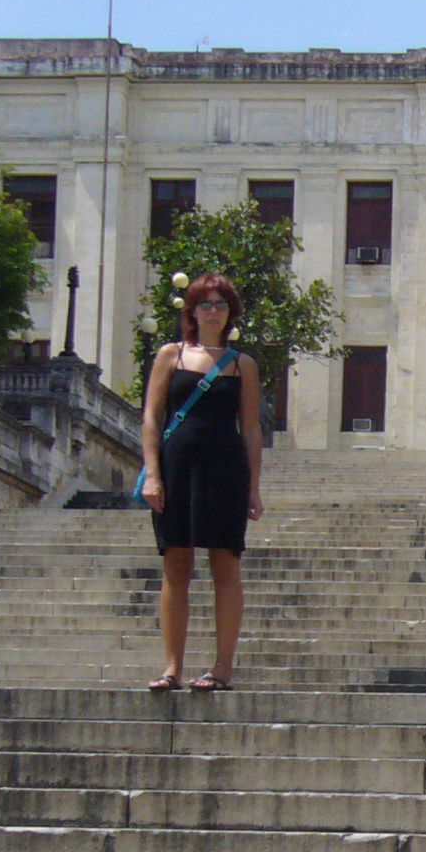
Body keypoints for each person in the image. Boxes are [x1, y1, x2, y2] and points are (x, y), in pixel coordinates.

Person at [142, 274, 263, 691]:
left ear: (231, 313)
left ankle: (222, 667)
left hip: (225, 470)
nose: (213, 311)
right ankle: (172, 666)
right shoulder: (170, 356)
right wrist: (152, 474)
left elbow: (250, 429)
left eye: (220, 304)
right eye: (205, 304)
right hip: (176, 468)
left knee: (224, 563)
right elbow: (151, 418)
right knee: (176, 563)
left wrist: (254, 487)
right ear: (191, 311)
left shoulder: (241, 364)